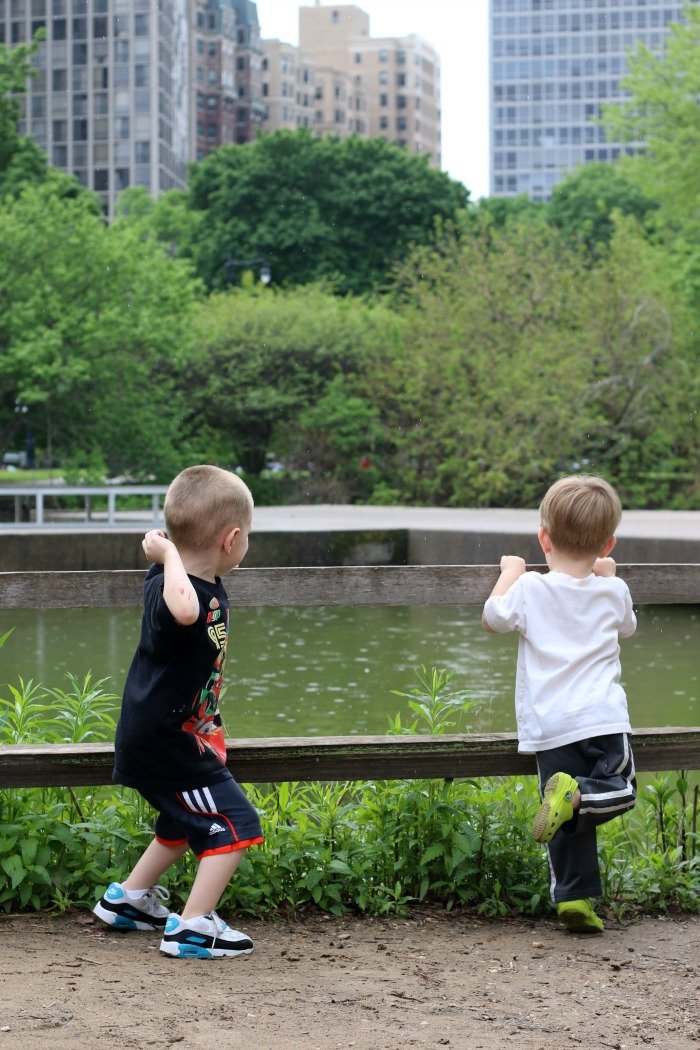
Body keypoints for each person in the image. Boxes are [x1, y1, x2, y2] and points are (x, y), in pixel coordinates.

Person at [93, 465, 263, 958]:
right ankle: (192, 927)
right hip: (166, 741)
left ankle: (129, 900)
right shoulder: (172, 589)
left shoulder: (200, 580)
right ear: (232, 540)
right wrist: (169, 553)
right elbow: (185, 611)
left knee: (181, 824)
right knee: (234, 826)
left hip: (164, 734)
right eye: (247, 535)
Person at [482, 475, 637, 934]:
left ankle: (573, 899)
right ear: (608, 542)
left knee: (564, 821)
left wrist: (511, 572)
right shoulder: (613, 591)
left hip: (551, 725)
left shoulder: (529, 588)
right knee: (621, 787)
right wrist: (609, 576)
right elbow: (626, 627)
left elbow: (493, 619)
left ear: (543, 538)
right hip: (603, 718)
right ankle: (579, 797)